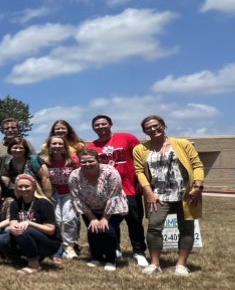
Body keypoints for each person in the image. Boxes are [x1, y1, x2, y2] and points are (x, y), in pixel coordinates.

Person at [133, 115, 204, 276]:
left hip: (186, 194)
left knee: (186, 228)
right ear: (144, 131)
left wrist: (198, 187)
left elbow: (197, 165)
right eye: (148, 127)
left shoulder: (182, 144)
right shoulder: (140, 149)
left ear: (163, 125)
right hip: (158, 195)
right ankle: (155, 263)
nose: (153, 129)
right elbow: (139, 172)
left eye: (156, 125)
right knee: (153, 227)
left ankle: (181, 264)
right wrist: (149, 193)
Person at [87, 115, 147, 267]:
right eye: (97, 125)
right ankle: (115, 248)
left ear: (110, 124)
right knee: (112, 223)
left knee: (134, 222)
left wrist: (143, 178)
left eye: (103, 124)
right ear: (93, 128)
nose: (100, 127)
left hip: (130, 189)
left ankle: (139, 252)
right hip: (107, 193)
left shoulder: (127, 138)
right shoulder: (91, 147)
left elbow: (142, 158)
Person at [69, 149, 129, 271]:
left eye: (91, 161)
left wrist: (105, 218)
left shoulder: (111, 172)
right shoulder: (74, 176)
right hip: (90, 209)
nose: (87, 164)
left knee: (108, 232)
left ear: (98, 160)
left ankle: (111, 259)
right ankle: (96, 257)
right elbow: (77, 199)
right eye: (83, 162)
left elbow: (114, 196)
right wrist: (92, 218)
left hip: (113, 208)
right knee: (93, 231)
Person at [0, 175, 60, 274]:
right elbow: (13, 224)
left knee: (25, 229)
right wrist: (14, 228)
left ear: (34, 187)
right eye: (20, 186)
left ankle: (34, 265)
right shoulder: (15, 204)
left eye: (27, 186)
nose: (23, 189)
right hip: (26, 237)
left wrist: (29, 223)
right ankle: (22, 260)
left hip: (49, 242)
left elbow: (50, 230)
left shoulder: (44, 203)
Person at [43, 135, 81, 262]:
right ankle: (59, 245)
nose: (57, 146)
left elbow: (80, 176)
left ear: (64, 146)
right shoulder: (45, 161)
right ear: (49, 146)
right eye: (54, 144)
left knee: (69, 218)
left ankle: (70, 246)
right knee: (57, 220)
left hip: (69, 193)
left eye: (60, 144)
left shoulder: (73, 159)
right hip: (53, 194)